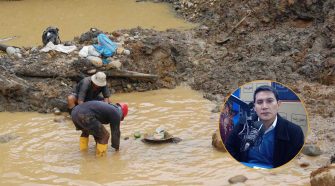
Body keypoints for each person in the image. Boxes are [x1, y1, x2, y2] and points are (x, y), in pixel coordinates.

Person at [225, 85, 304, 168]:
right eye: (259, 102)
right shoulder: (243, 124)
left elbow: (294, 165)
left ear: (278, 104)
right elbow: (229, 148)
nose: (264, 107)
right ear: (254, 107)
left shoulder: (294, 132)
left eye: (269, 101)